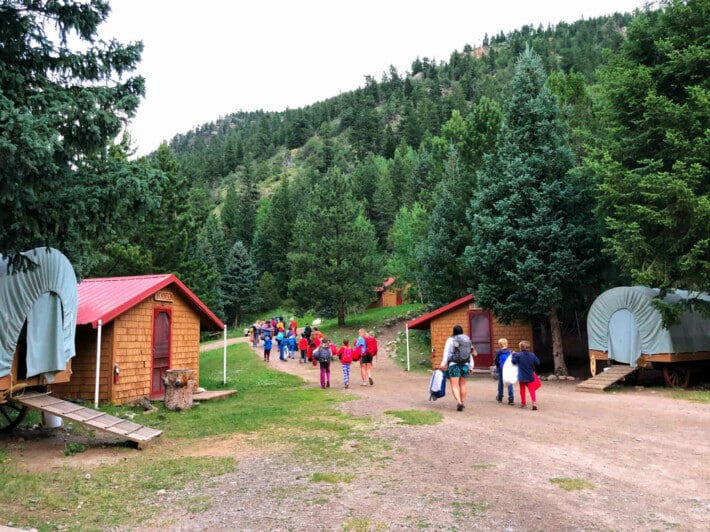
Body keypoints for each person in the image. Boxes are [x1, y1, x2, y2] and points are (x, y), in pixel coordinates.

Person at [438, 325, 474, 411]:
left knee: (454, 385)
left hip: (454, 365)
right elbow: (470, 354)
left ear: (453, 331)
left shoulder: (451, 340)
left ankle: (459, 402)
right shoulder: (467, 340)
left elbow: (446, 354)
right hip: (465, 365)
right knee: (463, 384)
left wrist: (442, 365)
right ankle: (463, 401)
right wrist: (471, 366)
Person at [512, 340, 541, 410]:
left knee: (522, 389)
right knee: (531, 390)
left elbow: (513, 362)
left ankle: (523, 403)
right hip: (530, 375)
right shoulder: (532, 355)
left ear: (520, 347)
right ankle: (534, 403)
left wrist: (513, 355)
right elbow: (538, 363)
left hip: (521, 375)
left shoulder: (518, 355)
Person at [494, 338, 514, 405]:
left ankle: (500, 397)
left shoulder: (499, 351)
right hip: (509, 369)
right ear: (506, 343)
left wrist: (498, 366)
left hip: (502, 368)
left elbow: (496, 360)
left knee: (501, 383)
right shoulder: (509, 351)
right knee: (509, 383)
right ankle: (511, 399)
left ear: (499, 344)